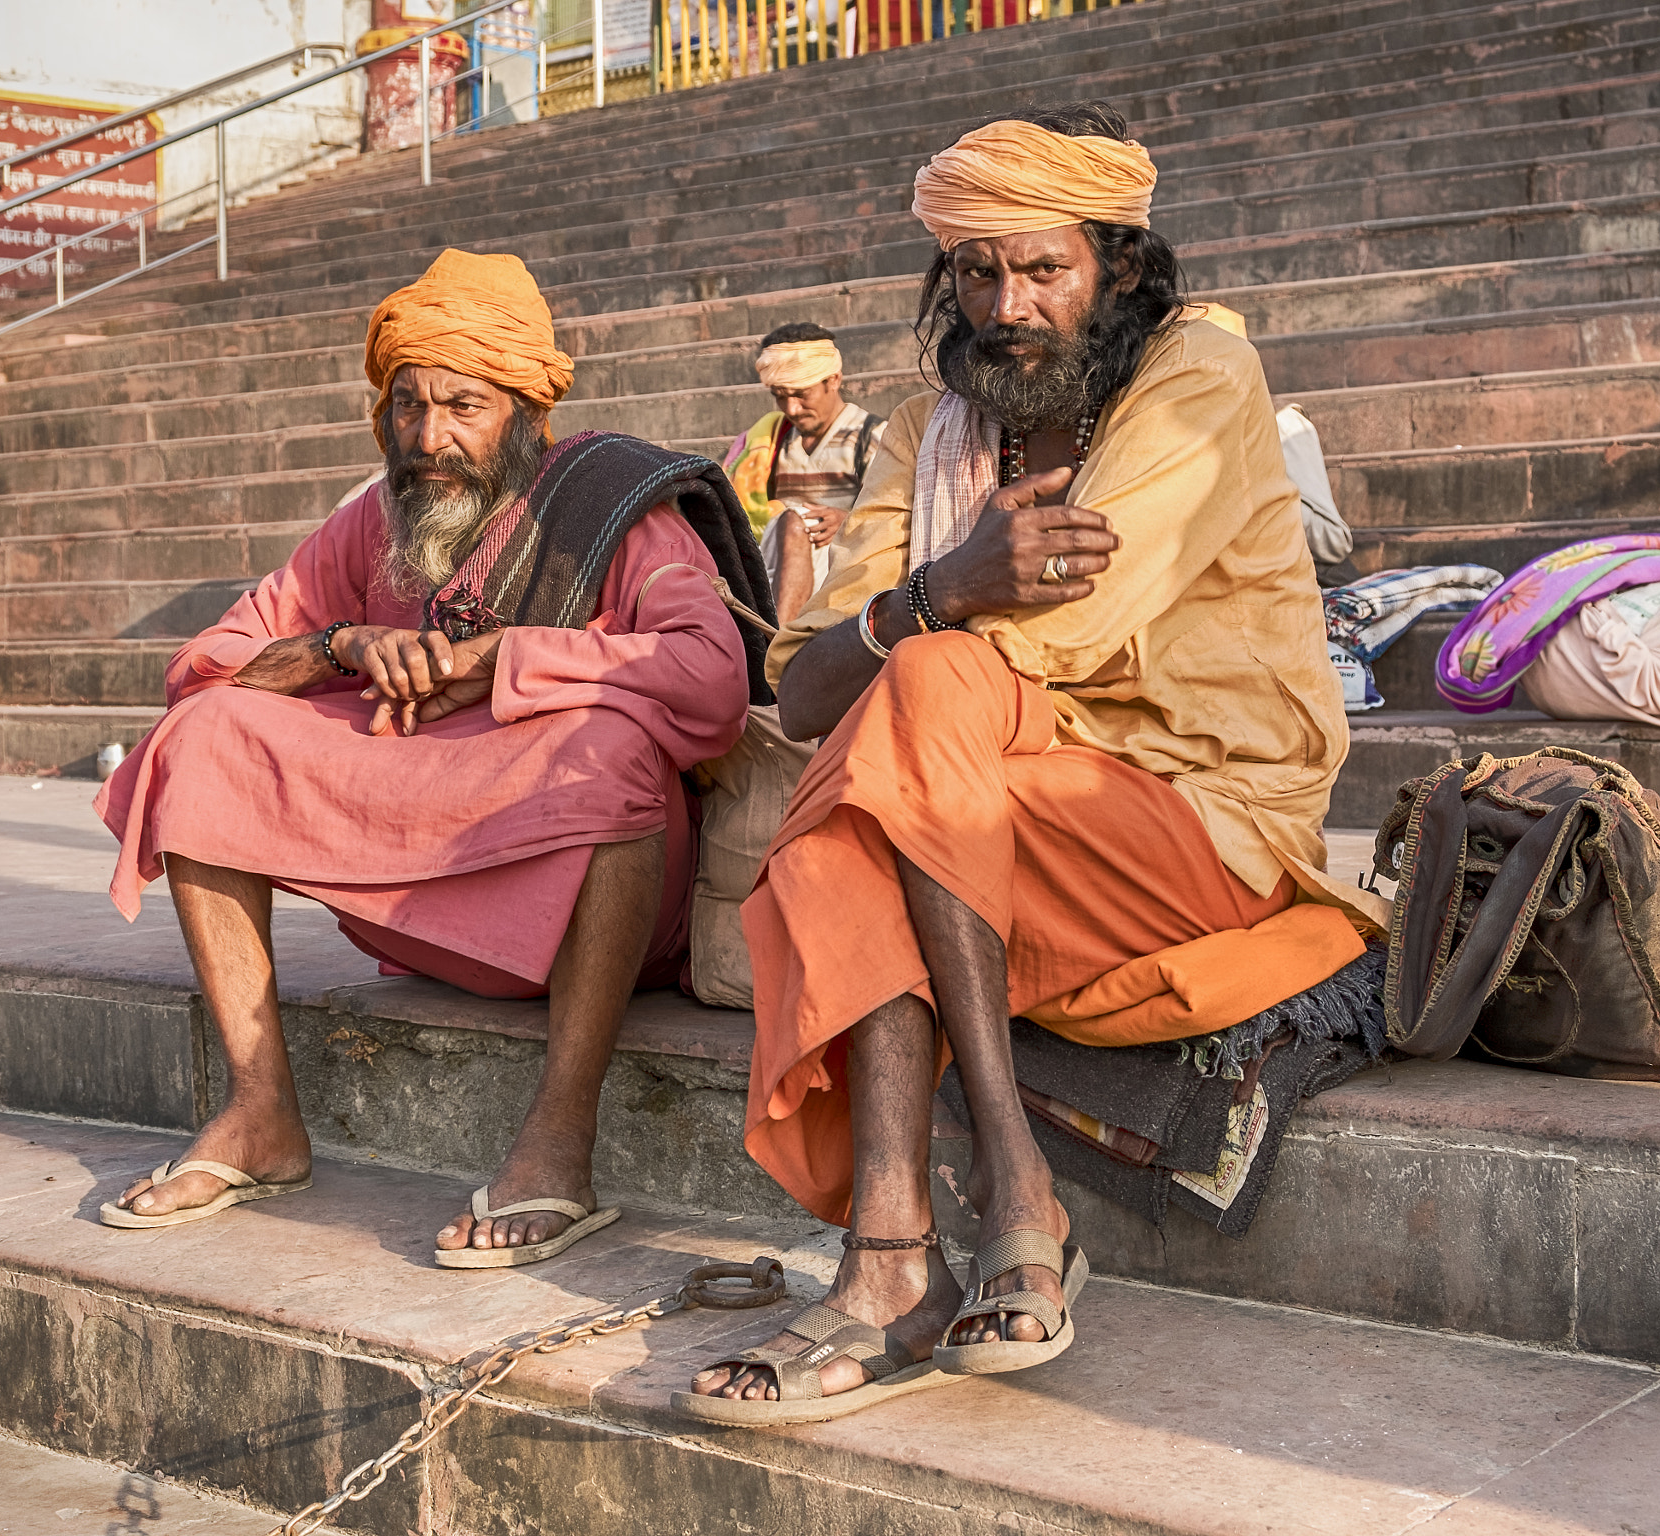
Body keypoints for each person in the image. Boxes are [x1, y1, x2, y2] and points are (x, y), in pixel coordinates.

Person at [680, 103, 1384, 1424]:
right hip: (977, 814)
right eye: (978, 272)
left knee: (923, 696)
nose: (1009, 304)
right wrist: (936, 591)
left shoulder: (1198, 372)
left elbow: (1073, 622)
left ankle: (1003, 1194)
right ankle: (899, 1253)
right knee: (911, 716)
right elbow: (802, 679)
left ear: (1114, 264)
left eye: (1043, 268)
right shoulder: (919, 433)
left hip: (1200, 822)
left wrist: (911, 626)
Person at [94, 249, 763, 1265]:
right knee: (207, 731)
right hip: (420, 908)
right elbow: (205, 664)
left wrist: (509, 656)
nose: (429, 439)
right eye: (408, 406)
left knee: (610, 741)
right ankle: (260, 1113)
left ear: (524, 414)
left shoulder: (613, 506)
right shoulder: (373, 519)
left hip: (604, 904)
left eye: (462, 407)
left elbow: (711, 679)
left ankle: (557, 1143)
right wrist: (339, 646)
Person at [722, 323, 885, 622]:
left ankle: (779, 638)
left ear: (833, 380)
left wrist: (849, 521)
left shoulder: (870, 436)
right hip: (773, 564)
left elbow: (894, 517)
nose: (792, 409)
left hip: (843, 569)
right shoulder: (770, 440)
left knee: (797, 522)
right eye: (780, 396)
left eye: (801, 394)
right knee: (790, 521)